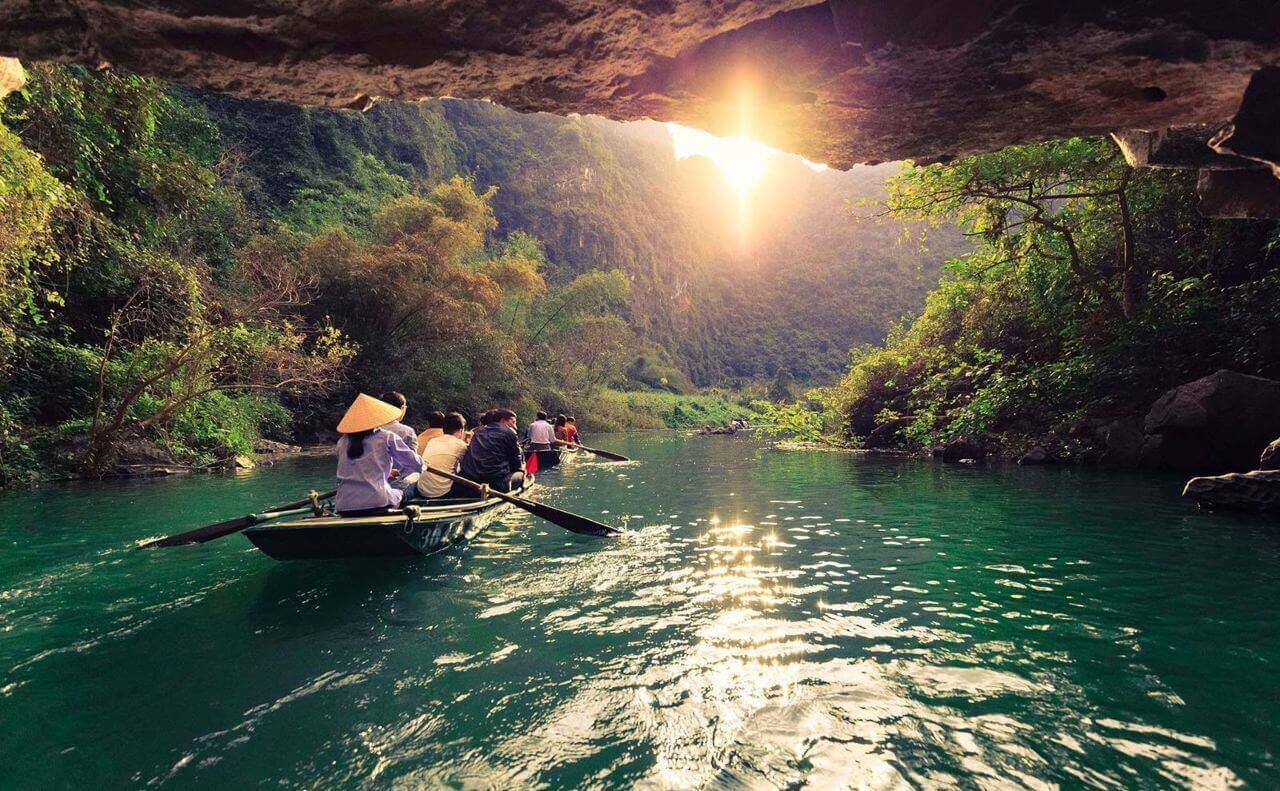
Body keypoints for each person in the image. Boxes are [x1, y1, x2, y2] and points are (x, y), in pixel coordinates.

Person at [334, 393, 423, 515]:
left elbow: (352, 468)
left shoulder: (342, 441)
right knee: (400, 492)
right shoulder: (386, 437)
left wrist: (386, 472)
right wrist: (424, 466)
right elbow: (415, 464)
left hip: (343, 505)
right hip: (377, 502)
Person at [451, 407, 525, 496]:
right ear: (502, 421)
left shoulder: (477, 431)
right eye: (513, 422)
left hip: (469, 481)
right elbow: (516, 464)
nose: (515, 426)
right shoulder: (509, 433)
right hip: (495, 483)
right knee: (521, 474)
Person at [416, 412, 469, 499]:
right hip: (442, 492)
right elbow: (466, 467)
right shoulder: (461, 445)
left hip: (422, 489)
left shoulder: (433, 441)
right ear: (461, 431)